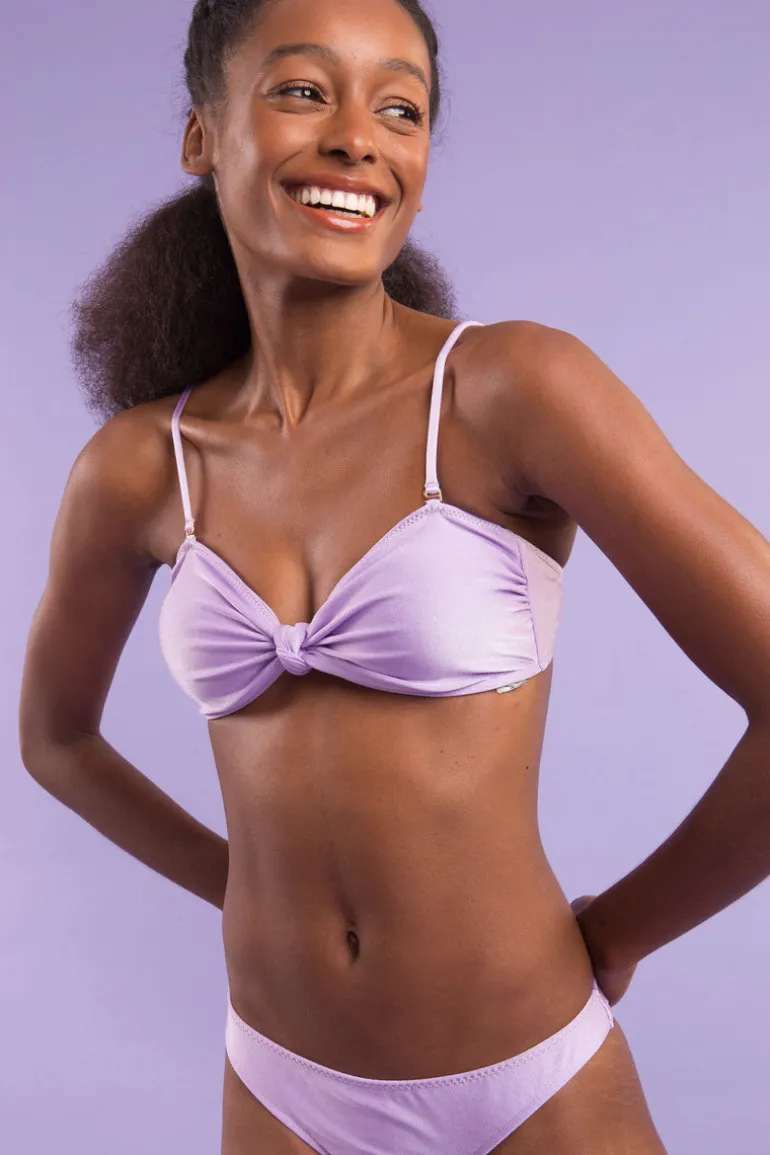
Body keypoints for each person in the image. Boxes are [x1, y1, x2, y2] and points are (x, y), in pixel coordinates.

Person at [18, 0, 770, 1152]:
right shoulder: (139, 467)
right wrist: (237, 885)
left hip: (530, 1075)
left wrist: (620, 933)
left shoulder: (509, 390)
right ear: (202, 135)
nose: (357, 137)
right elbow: (55, 740)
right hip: (280, 1082)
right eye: (302, 90)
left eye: (401, 108)